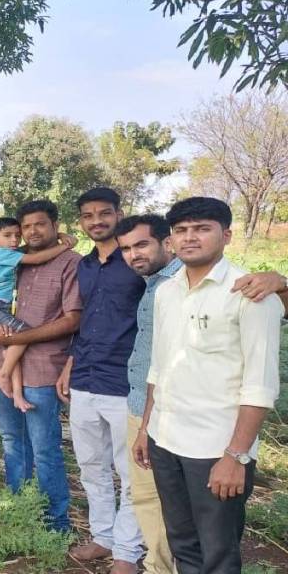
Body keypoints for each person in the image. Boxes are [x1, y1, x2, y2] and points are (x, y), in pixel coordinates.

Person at [133, 197, 283, 574]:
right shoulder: (167, 292)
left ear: (226, 235)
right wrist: (145, 430)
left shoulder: (250, 294)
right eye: (181, 230)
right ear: (171, 240)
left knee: (218, 552)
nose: (190, 238)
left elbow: (260, 386)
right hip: (165, 440)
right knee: (184, 543)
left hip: (214, 449)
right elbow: (159, 368)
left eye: (202, 229)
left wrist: (235, 456)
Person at [57, 187, 145, 573]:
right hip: (85, 375)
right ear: (81, 222)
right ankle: (102, 537)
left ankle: (128, 551)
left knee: (131, 471)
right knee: (91, 465)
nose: (97, 221)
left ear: (118, 213)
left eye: (104, 213)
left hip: (126, 379)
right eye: (88, 215)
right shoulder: (85, 265)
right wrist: (69, 363)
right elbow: (85, 318)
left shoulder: (139, 261)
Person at [0, 200, 81, 532]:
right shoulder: (15, 258)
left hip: (42, 367)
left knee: (44, 448)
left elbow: (72, 319)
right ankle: (18, 509)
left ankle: (55, 522)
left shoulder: (71, 263)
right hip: (5, 364)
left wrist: (17, 339)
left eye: (41, 224)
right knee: (12, 440)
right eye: (27, 226)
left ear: (55, 225)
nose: (32, 231)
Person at [115, 214, 181, 574]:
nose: (133, 254)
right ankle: (158, 565)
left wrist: (277, 281)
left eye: (142, 244)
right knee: (145, 496)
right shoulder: (153, 284)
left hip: (165, 411)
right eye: (126, 248)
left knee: (165, 498)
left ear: (165, 242)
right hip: (139, 402)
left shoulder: (183, 282)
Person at [0, 217, 76, 412]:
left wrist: (60, 235)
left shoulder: (9, 252)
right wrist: (64, 246)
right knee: (24, 335)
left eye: (17, 236)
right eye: (7, 236)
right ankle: (3, 374)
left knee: (12, 344)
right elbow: (36, 258)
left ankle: (17, 394)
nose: (14, 240)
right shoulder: (0, 254)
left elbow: (31, 248)